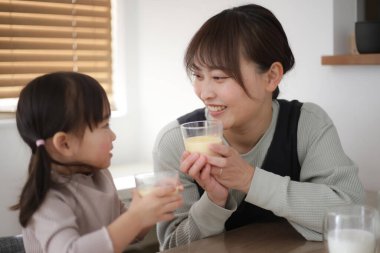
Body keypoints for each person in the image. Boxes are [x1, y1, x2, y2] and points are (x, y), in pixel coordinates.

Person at [153, 3, 365, 250]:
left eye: (220, 77)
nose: (205, 92)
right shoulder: (176, 141)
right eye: (198, 76)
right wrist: (214, 202)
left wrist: (249, 179)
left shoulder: (307, 124)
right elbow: (172, 246)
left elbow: (352, 217)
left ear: (272, 76)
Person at [11, 72, 183, 253]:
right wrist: (136, 217)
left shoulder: (100, 175)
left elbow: (128, 233)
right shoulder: (46, 197)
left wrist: (148, 208)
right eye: (105, 126)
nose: (113, 135)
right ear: (65, 143)